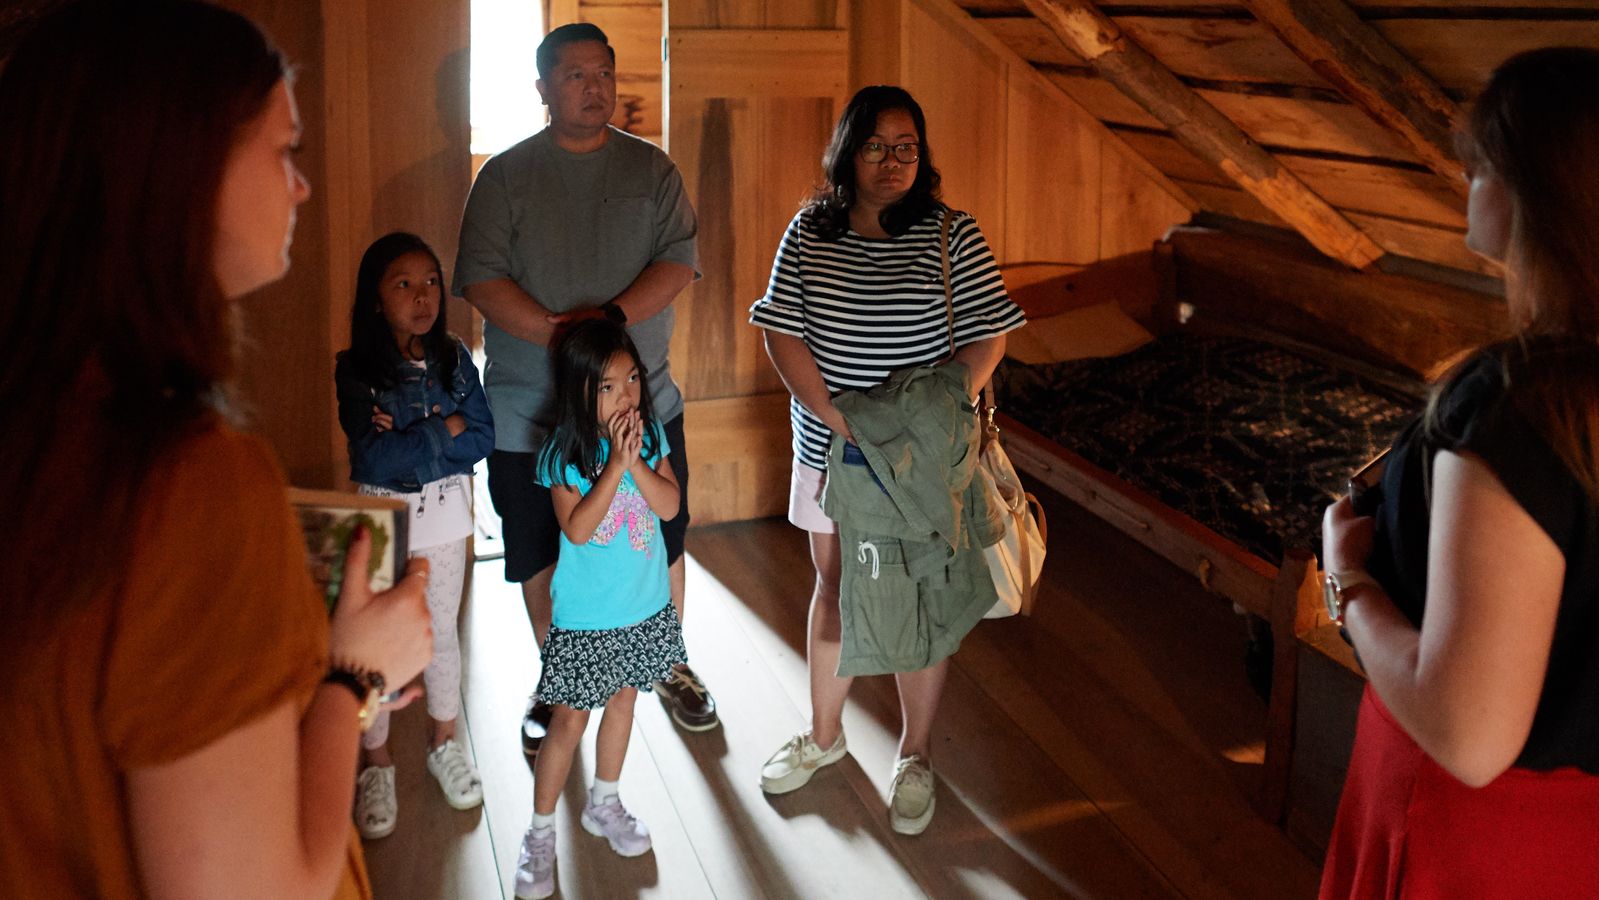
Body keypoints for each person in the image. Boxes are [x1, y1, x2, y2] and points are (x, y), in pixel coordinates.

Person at [0, 3, 433, 899]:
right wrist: (353, 679)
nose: (302, 188)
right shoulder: (187, 479)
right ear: (175, 170)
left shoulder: (37, 420)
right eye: (283, 151)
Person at [1318, 47, 1599, 898]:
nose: (1463, 188)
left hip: (1470, 832)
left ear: (1529, 194)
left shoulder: (1518, 405)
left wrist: (1347, 579)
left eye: (1475, 169)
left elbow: (1466, 734)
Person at [748, 85, 1024, 835]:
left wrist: (929, 418)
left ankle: (915, 754)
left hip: (922, 466)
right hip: (832, 452)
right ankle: (825, 736)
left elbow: (988, 336)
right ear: (848, 151)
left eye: (907, 146)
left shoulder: (949, 234)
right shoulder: (808, 232)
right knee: (835, 586)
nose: (894, 161)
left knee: (919, 597)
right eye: (877, 145)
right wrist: (836, 414)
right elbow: (782, 332)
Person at [454, 21, 717, 754]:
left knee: (661, 538)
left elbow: (676, 264)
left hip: (643, 405)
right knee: (539, 553)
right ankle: (561, 679)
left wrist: (606, 323)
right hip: (527, 414)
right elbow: (480, 279)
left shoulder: (651, 170)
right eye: (575, 75)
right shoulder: (504, 175)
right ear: (542, 88)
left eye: (603, 72)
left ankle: (668, 664)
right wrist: (562, 338)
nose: (594, 86)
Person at [511, 319, 687, 899]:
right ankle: (540, 835)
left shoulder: (651, 436)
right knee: (568, 720)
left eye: (632, 379)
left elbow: (668, 507)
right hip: (587, 620)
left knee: (624, 701)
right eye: (609, 386)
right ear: (580, 390)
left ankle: (604, 801)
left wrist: (636, 462)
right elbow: (579, 530)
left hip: (643, 607)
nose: (627, 395)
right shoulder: (564, 454)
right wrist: (614, 465)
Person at [336, 232, 495, 838]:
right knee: (372, 648)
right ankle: (376, 763)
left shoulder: (455, 357)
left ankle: (443, 743)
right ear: (376, 297)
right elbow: (371, 461)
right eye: (403, 283)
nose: (422, 295)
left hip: (448, 526)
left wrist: (412, 435)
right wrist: (441, 430)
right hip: (384, 523)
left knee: (441, 638)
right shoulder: (356, 370)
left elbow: (481, 436)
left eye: (430, 281)